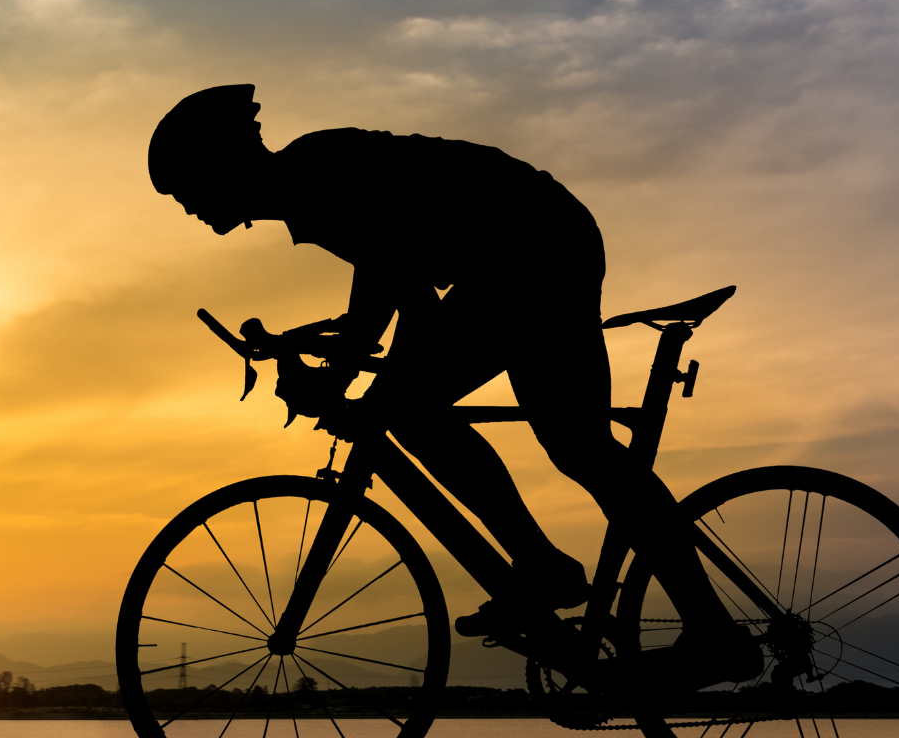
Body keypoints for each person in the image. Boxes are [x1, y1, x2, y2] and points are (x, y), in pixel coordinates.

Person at [147, 83, 761, 691]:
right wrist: (340, 369)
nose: (188, 210)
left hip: (534, 246)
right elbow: (381, 288)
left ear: (218, 167)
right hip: (521, 248)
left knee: (496, 427)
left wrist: (352, 382)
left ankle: (654, 611)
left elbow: (402, 284)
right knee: (548, 438)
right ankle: (560, 572)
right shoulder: (308, 184)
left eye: (186, 192)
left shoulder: (316, 172)